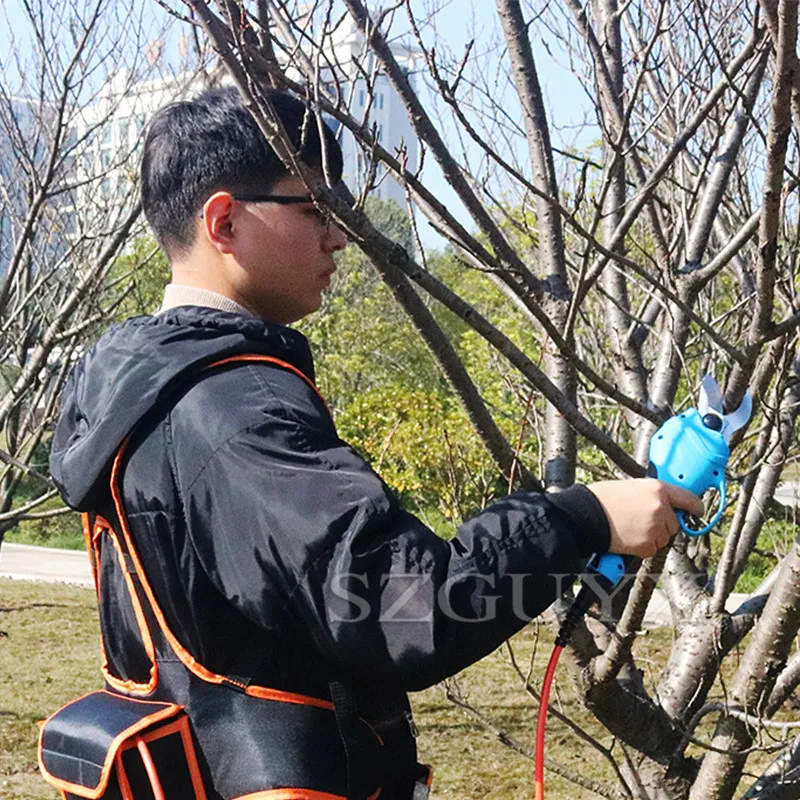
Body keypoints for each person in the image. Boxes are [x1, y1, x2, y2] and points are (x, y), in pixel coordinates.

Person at [49, 86, 703, 800]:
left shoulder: (138, 388)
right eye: (314, 207)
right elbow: (402, 607)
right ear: (225, 220)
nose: (340, 234)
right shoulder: (234, 412)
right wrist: (584, 518)